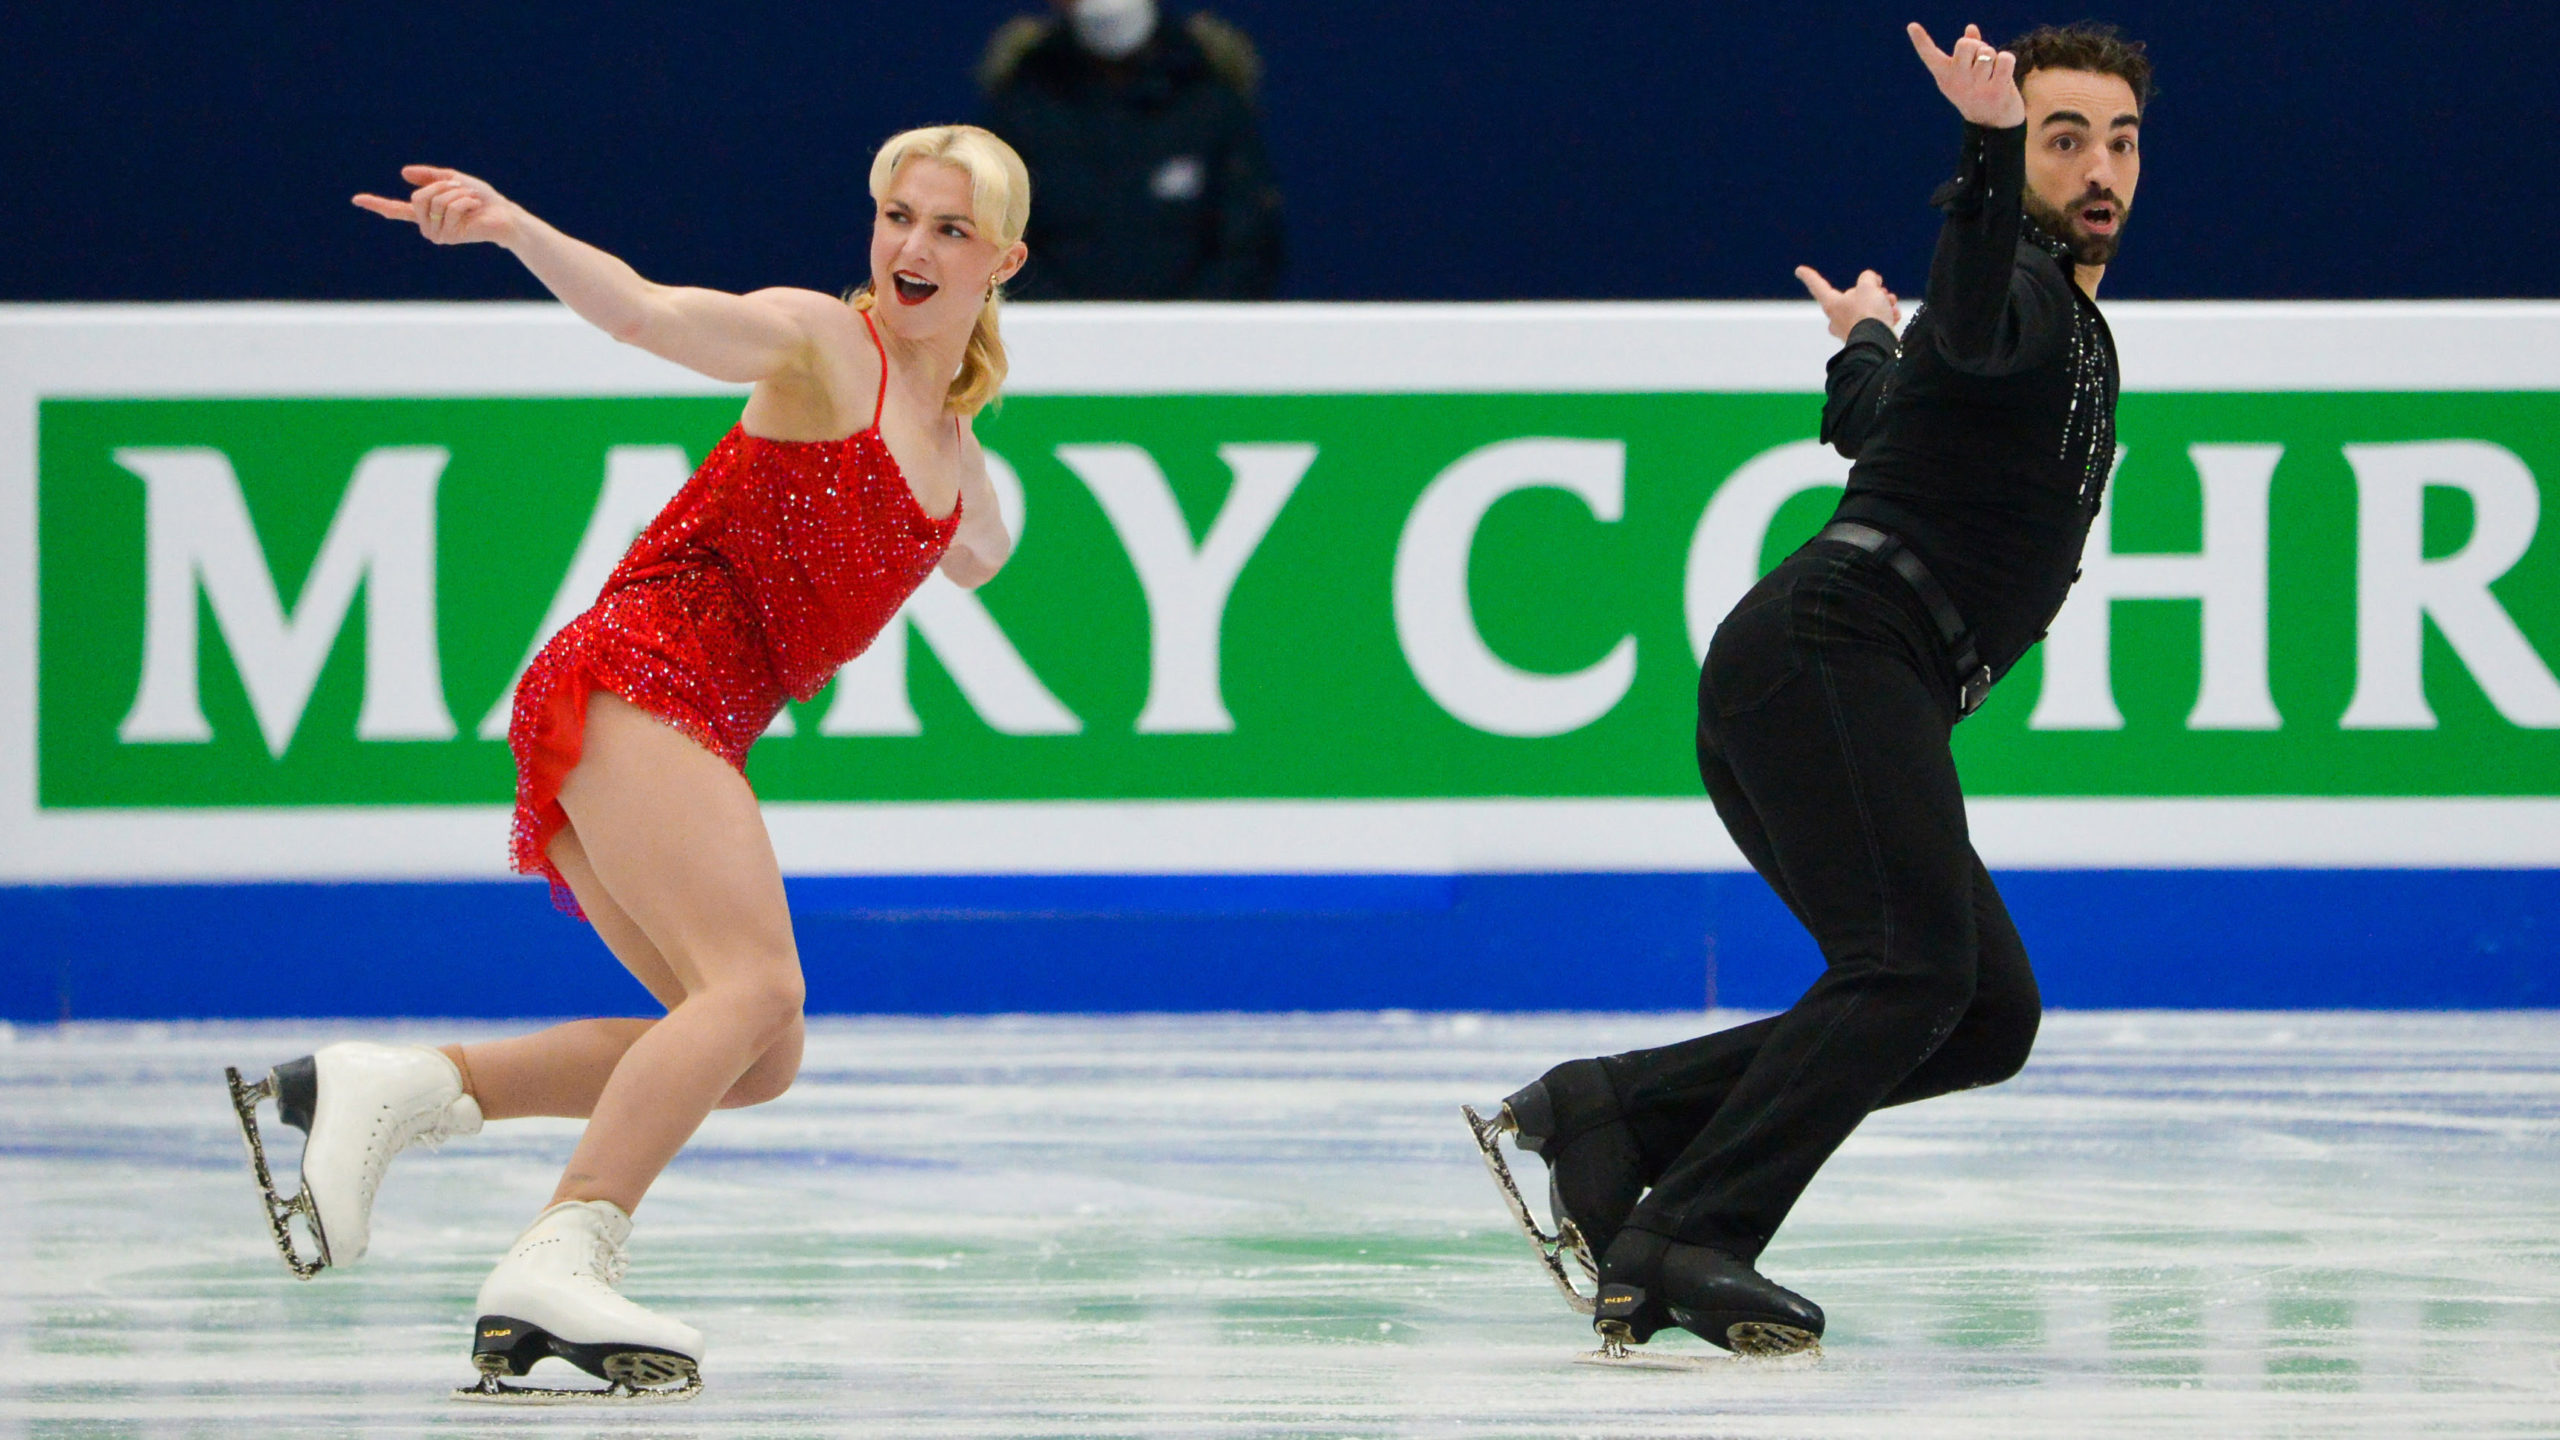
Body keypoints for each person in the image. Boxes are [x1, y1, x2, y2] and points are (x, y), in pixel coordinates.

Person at [221, 124, 1031, 1402]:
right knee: (756, 985)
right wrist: (512, 228)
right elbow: (650, 314)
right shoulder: (824, 343)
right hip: (637, 676)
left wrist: (965, 453)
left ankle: (400, 1090)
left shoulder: (955, 459)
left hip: (676, 715)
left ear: (1002, 261)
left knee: (755, 1052)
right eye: (896, 217)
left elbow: (979, 545)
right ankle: (565, 1249)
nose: (910, 247)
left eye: (949, 229)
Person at [1472, 21, 2148, 1358]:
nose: (2098, 170)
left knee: (1980, 1010)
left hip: (1825, 669)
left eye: (2119, 142)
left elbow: (1881, 415)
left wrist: (1863, 340)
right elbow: (1971, 320)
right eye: (2063, 139)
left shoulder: (2045, 325)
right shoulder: (2015, 285)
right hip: (1836, 650)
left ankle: (1611, 1113)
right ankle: (1693, 1232)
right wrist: (1981, 151)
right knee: (1910, 971)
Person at [978, 0, 1283, 298]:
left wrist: (1185, 324)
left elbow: (1249, 246)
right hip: (1054, 327)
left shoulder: (1212, 102)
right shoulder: (1021, 108)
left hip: (1197, 328)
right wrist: (1066, 323)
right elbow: (996, 242)